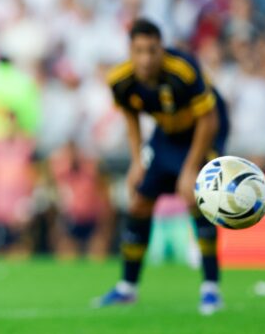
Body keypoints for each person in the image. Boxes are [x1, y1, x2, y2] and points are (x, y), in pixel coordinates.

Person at [96, 18, 228, 315]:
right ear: (130, 51)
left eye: (152, 50)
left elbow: (209, 119)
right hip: (166, 135)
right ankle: (127, 288)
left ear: (162, 49)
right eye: (139, 51)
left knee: (197, 199)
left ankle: (211, 289)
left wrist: (190, 169)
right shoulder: (120, 80)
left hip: (204, 131)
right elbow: (131, 116)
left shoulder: (183, 70)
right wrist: (136, 161)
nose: (146, 59)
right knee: (140, 203)